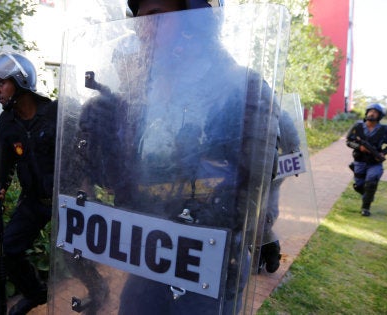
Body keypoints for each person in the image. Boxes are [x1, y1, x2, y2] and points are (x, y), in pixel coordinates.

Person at [69, 1, 282, 313]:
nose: (141, 27)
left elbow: (257, 180)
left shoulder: (240, 86)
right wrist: (102, 143)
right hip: (151, 250)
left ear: (197, 20)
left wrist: (216, 221)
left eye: (155, 15)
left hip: (210, 259)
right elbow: (124, 182)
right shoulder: (141, 89)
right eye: (137, 18)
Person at [0, 52, 57, 315]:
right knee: (9, 250)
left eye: (1, 83)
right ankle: (36, 293)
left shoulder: (55, 113)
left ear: (20, 81)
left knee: (74, 254)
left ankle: (97, 289)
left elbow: (80, 154)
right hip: (33, 201)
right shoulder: (6, 122)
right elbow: (3, 160)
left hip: (64, 201)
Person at [258, 110, 300, 274]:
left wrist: (283, 163)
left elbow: (293, 145)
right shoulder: (236, 107)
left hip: (270, 175)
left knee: (266, 215)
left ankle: (269, 250)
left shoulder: (279, 114)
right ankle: (263, 252)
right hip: (241, 173)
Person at [346, 103, 387, 217]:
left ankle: (365, 208)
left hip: (375, 162)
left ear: (380, 116)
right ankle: (368, 195)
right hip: (359, 161)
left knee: (371, 182)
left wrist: (382, 153)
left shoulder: (385, 130)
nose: (372, 113)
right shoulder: (358, 126)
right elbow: (348, 141)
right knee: (359, 185)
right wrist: (359, 147)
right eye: (370, 111)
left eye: (375, 112)